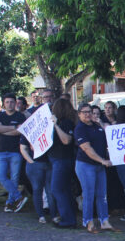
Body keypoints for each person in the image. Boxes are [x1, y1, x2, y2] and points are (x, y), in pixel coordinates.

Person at [74, 102, 115, 232]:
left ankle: (104, 221)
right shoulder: (80, 129)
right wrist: (102, 160)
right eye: (84, 112)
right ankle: (88, 222)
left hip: (99, 166)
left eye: (89, 112)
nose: (87, 114)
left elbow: (110, 139)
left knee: (102, 195)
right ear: (79, 114)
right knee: (89, 195)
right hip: (86, 165)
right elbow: (87, 148)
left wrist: (102, 125)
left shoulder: (97, 126)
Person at [0, 92, 28, 213]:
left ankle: (10, 203)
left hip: (16, 151)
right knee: (0, 176)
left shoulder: (20, 116)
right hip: (1, 151)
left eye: (12, 102)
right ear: (4, 103)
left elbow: (20, 131)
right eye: (7, 102)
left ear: (15, 103)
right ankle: (19, 197)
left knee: (14, 178)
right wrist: (13, 128)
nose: (9, 104)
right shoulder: (0, 115)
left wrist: (4, 130)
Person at [48, 97, 78, 228]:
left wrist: (56, 125)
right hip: (56, 160)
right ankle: (69, 217)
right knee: (64, 190)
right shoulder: (61, 122)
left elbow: (66, 140)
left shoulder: (66, 123)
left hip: (62, 160)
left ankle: (67, 220)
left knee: (57, 189)